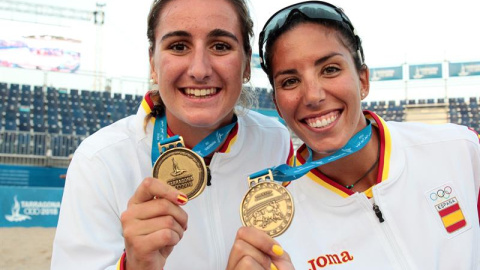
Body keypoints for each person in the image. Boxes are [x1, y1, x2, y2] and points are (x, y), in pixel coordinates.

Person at [50, 0, 293, 269]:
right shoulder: (100, 160)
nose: (199, 70)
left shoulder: (275, 141)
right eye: (179, 46)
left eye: (220, 46)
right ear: (152, 63)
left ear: (246, 64)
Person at [257, 1, 480, 269]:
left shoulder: (462, 151)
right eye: (290, 81)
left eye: (330, 69)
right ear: (277, 104)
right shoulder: (271, 218)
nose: (313, 96)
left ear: (363, 80)